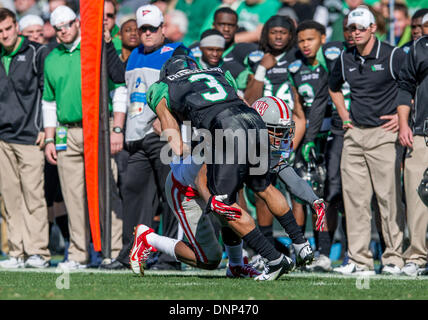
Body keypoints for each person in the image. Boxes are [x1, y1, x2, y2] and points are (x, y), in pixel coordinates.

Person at [147, 55, 327, 280]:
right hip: (250, 119)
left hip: (223, 129)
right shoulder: (218, 72)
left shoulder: (163, 87)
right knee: (264, 188)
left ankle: (273, 259)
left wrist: (184, 149)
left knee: (224, 204)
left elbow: (172, 135)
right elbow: (241, 103)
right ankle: (300, 244)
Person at [102, 4, 190, 271]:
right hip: (136, 137)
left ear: (163, 28)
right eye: (144, 29)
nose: (148, 33)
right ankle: (132, 254)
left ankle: (171, 258)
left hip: (164, 137)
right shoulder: (135, 55)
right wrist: (107, 42)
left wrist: (168, 118)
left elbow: (188, 87)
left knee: (170, 198)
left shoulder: (177, 51)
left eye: (153, 28)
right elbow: (118, 77)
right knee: (133, 194)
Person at [43, 5, 126, 269]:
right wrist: (49, 138)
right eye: (58, 28)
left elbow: (119, 88)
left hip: (99, 127)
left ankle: (113, 250)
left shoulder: (94, 51)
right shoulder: (52, 58)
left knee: (106, 190)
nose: (63, 31)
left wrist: (116, 129)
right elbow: (49, 102)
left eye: (67, 25)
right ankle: (79, 254)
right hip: (67, 130)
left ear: (78, 22)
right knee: (72, 195)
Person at [329, 6, 406, 276]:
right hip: (354, 134)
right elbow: (333, 86)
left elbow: (414, 86)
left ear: (373, 28)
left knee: (388, 199)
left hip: (384, 135)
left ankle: (394, 259)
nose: (356, 32)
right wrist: (343, 114)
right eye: (351, 28)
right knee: (355, 201)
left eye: (361, 27)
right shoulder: (344, 57)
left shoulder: (393, 54)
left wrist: (403, 116)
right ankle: (359, 261)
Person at [130, 159, 260, 278]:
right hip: (185, 191)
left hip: (207, 185)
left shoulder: (240, 143)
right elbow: (200, 181)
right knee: (210, 259)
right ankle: (148, 239)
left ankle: (236, 266)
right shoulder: (218, 143)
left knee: (231, 216)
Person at [0, 8, 50, 269]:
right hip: (2, 138)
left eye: (8, 28)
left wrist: (43, 128)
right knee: (10, 197)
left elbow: (46, 92)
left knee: (33, 196)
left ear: (16, 26)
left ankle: (38, 252)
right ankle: (16, 253)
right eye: (0, 31)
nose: (4, 34)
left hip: (31, 136)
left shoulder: (36, 52)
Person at [287, 20, 331, 272]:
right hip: (305, 139)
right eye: (301, 40)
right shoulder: (295, 69)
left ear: (322, 39)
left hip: (330, 136)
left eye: (310, 39)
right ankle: (303, 250)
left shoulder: (331, 63)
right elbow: (298, 110)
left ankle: (324, 250)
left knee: (326, 197)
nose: (305, 45)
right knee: (301, 198)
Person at [396, 34, 428, 277]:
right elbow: (405, 86)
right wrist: (403, 123)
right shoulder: (419, 47)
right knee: (418, 196)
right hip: (421, 131)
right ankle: (417, 256)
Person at [191, 7, 258, 93]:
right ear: (213, 25)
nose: (226, 29)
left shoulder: (246, 51)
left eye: (231, 25)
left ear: (237, 27)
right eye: (222, 24)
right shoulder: (195, 48)